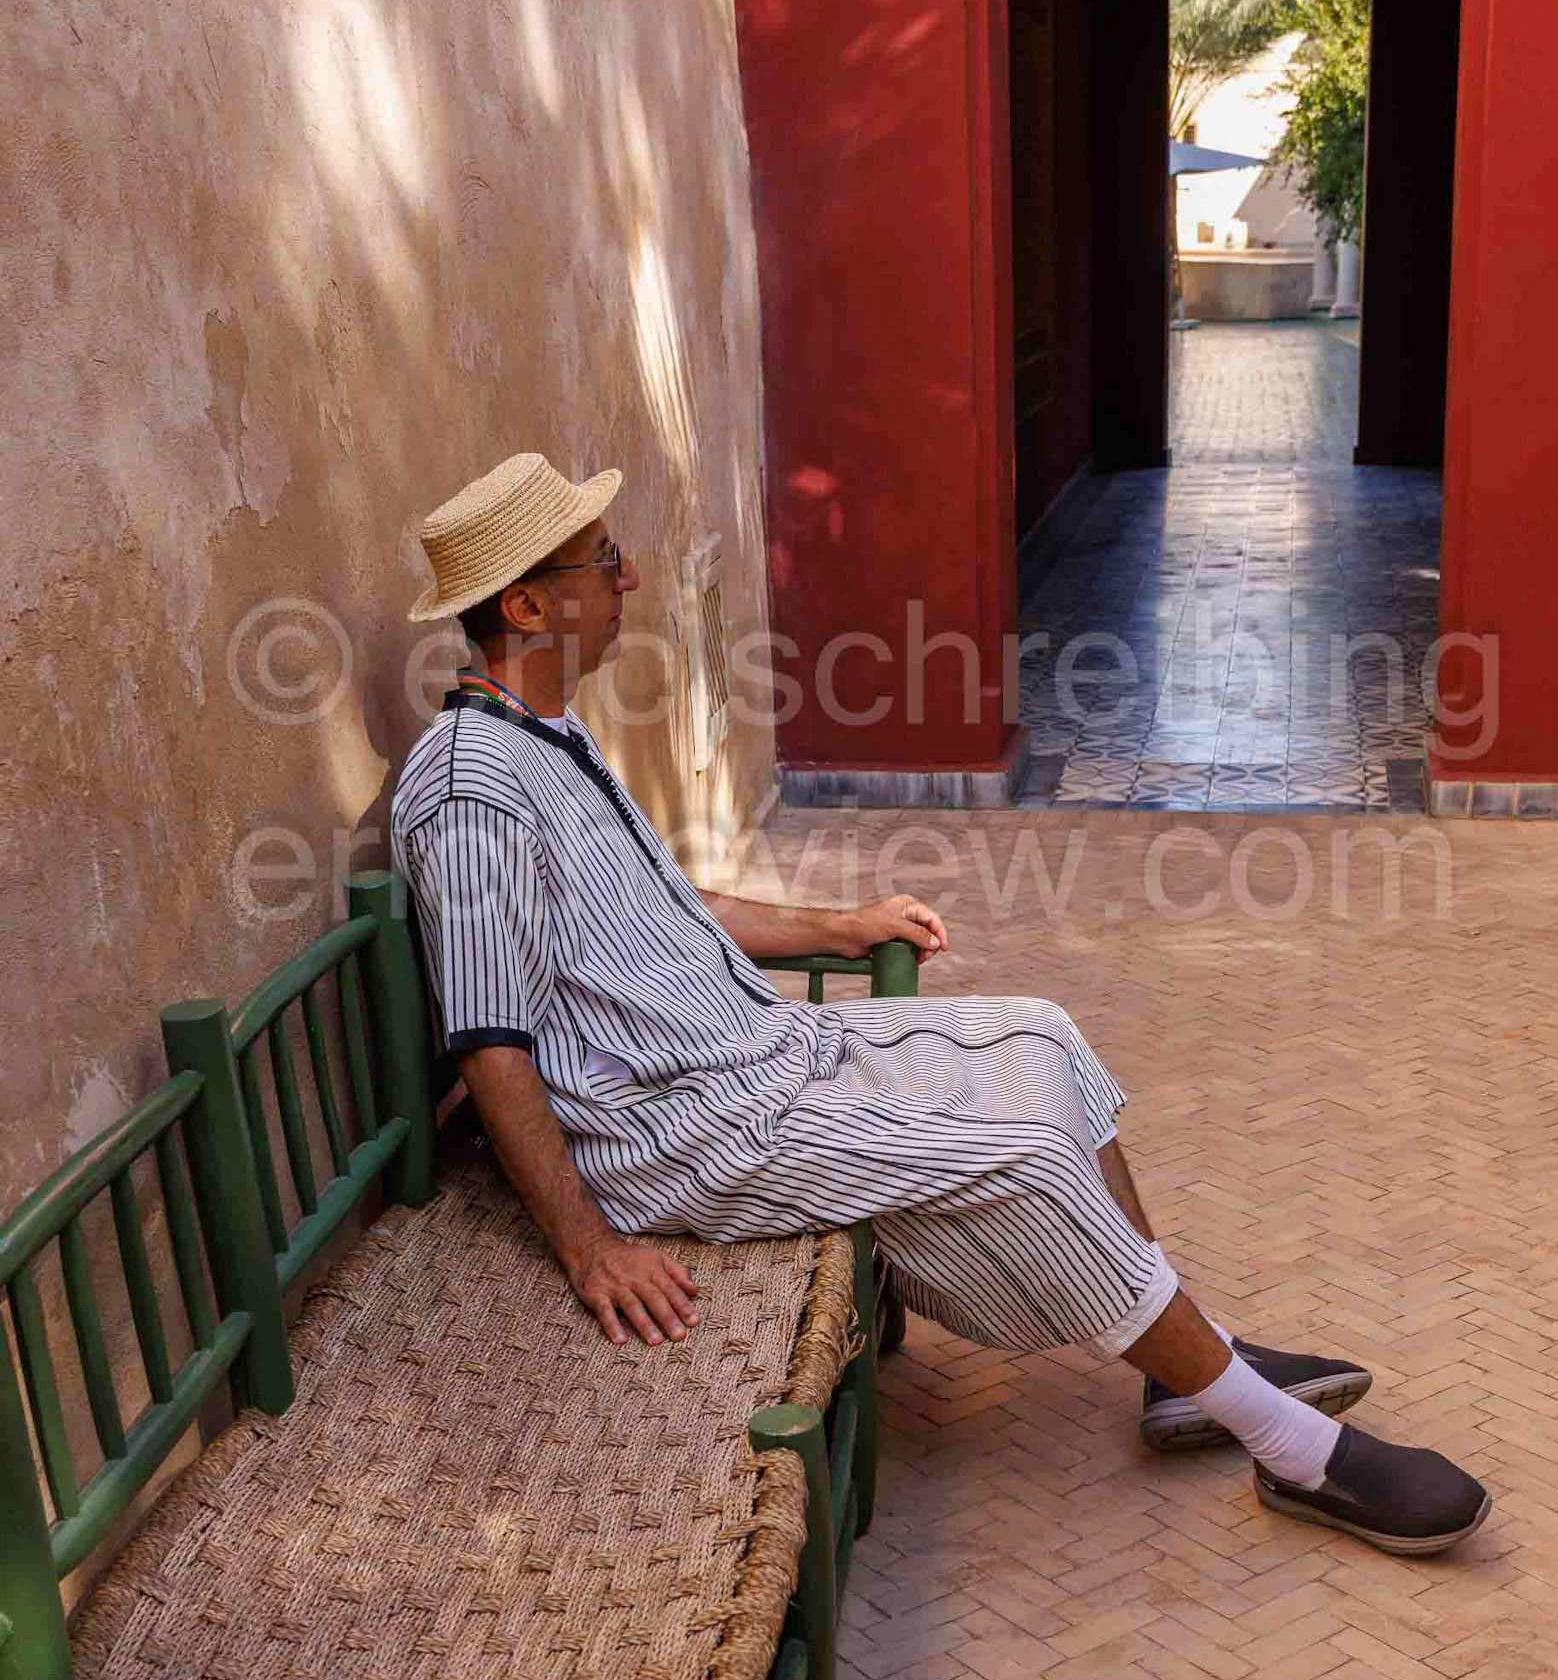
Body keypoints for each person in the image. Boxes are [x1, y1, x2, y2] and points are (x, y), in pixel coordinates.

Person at [390, 453, 1491, 1556]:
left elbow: (671, 904)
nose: (627, 578)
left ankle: (1184, 1380)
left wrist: (836, 923)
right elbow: (491, 1042)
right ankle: (1288, 1443)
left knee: (1041, 1035)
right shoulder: (471, 788)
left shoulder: (552, 738)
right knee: (1025, 1156)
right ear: (529, 606)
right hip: (683, 1127)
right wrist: (588, 1247)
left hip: (762, 1052)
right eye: (604, 561)